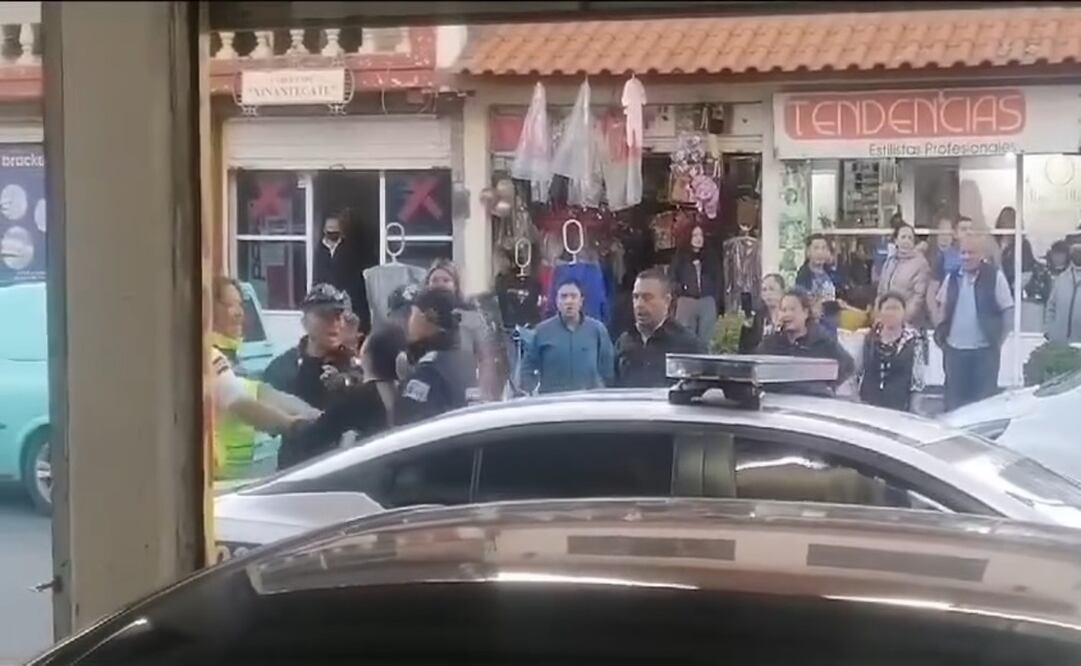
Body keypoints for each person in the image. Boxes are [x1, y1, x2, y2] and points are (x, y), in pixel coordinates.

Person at [209, 277, 313, 480]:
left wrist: (320, 419)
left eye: (240, 305)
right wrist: (292, 425)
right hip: (215, 485)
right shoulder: (208, 356)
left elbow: (263, 394)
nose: (239, 313)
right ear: (207, 309)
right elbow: (241, 402)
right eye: (229, 305)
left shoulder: (230, 357)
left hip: (233, 481)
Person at [935, 235, 1013, 411]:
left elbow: (1007, 310)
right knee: (954, 406)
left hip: (984, 354)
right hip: (955, 353)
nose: (966, 257)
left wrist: (997, 341)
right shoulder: (952, 278)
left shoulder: (995, 277)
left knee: (984, 407)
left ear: (981, 254)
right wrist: (942, 337)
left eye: (971, 252)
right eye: (963, 253)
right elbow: (941, 306)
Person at [263, 283, 361, 411]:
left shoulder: (352, 365)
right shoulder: (282, 368)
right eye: (324, 315)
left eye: (338, 316)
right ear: (305, 323)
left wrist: (345, 382)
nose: (334, 322)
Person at [521, 278, 615, 394]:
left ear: (581, 301)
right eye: (564, 296)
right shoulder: (541, 332)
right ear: (557, 301)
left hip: (589, 404)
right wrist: (533, 392)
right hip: (553, 405)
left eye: (573, 296)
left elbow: (608, 371)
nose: (569, 301)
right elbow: (526, 370)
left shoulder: (597, 330)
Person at [615, 268, 704, 388]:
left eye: (647, 298)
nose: (639, 304)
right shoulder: (624, 341)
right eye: (636, 297)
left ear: (667, 301)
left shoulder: (687, 344)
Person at [396, 288, 474, 425]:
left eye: (412, 314)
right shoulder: (474, 362)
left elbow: (406, 429)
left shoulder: (428, 371)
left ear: (427, 317)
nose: (408, 321)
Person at [757, 287, 855, 395]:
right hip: (778, 402)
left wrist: (827, 386)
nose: (787, 314)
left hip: (813, 401)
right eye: (784, 310)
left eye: (792, 309)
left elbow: (848, 365)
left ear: (805, 312)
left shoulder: (821, 340)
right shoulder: (772, 342)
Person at [426, 259, 490, 398]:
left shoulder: (471, 315)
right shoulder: (419, 315)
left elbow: (485, 358)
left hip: (462, 389)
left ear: (456, 285)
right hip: (427, 389)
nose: (440, 285)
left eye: (446, 280)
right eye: (435, 280)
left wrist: (484, 391)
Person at [859, 292, 925, 411]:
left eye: (896, 309)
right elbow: (857, 372)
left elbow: (917, 381)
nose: (892, 313)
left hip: (899, 405)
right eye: (888, 308)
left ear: (904, 312)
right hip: (868, 403)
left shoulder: (914, 341)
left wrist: (915, 408)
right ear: (880, 312)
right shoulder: (869, 338)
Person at [313, 215, 369, 333]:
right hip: (325, 297)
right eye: (329, 229)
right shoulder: (319, 249)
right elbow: (317, 273)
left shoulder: (350, 248)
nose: (332, 232)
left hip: (345, 296)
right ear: (324, 230)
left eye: (335, 228)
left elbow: (355, 274)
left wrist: (346, 292)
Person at [670, 224, 722, 346]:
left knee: (707, 340)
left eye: (701, 235)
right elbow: (672, 278)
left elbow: (718, 278)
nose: (699, 238)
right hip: (686, 301)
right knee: (685, 340)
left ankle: (705, 365)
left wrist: (715, 299)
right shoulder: (681, 256)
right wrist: (682, 290)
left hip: (707, 301)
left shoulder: (711, 256)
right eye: (695, 235)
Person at [878, 223, 931, 325]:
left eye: (910, 238)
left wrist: (902, 320)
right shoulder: (889, 262)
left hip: (908, 323)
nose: (906, 241)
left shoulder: (920, 264)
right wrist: (879, 316)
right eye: (903, 237)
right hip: (886, 321)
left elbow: (918, 298)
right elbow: (880, 292)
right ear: (896, 241)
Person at [1044, 242, 1081, 343]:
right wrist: (1049, 330)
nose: (1078, 254)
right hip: (1060, 342)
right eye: (1075, 251)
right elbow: (1051, 307)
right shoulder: (1061, 279)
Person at [739, 272, 785, 353]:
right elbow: (746, 348)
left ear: (782, 291)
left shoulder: (788, 315)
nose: (768, 294)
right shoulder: (757, 317)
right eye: (764, 290)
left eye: (772, 289)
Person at [996, 206, 1036, 294]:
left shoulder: (1023, 245)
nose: (1007, 225)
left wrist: (1012, 288)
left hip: (1014, 292)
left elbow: (1027, 272)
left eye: (1010, 222)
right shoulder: (993, 242)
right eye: (1004, 222)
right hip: (994, 288)